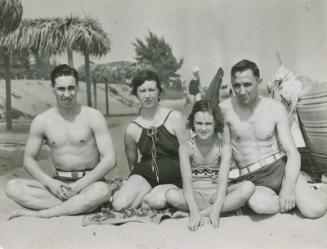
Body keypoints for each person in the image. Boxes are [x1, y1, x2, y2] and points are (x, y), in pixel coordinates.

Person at [5, 64, 116, 219]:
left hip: (89, 183)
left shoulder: (93, 116)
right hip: (60, 186)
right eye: (61, 89)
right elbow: (28, 160)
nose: (67, 94)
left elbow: (110, 159)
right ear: (52, 88)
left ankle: (45, 213)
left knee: (101, 191)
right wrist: (51, 183)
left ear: (78, 87)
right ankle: (80, 206)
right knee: (12, 187)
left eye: (71, 88)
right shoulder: (42, 121)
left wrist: (80, 185)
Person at [220, 59, 327, 218]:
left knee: (314, 210)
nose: (242, 91)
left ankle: (323, 190)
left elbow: (292, 152)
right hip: (251, 177)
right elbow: (221, 151)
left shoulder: (274, 108)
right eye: (237, 85)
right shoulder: (224, 110)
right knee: (260, 205)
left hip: (280, 168)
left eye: (247, 84)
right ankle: (294, 200)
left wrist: (288, 187)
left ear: (259, 81)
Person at [166, 100, 255, 230]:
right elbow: (187, 181)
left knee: (248, 187)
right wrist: (194, 210)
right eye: (199, 123)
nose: (203, 128)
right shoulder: (186, 147)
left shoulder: (225, 147)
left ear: (216, 124)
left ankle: (205, 212)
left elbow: (223, 180)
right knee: (171, 195)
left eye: (208, 123)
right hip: (195, 194)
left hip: (218, 193)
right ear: (192, 123)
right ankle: (225, 209)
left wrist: (214, 210)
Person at [112, 69, 190, 211]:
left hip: (174, 176)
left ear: (159, 91)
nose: (147, 95)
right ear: (136, 94)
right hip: (145, 174)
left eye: (151, 90)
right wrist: (135, 183)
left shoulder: (175, 117)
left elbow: (188, 153)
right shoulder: (132, 129)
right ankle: (130, 191)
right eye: (142, 91)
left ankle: (151, 194)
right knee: (119, 205)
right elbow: (133, 165)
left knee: (155, 202)